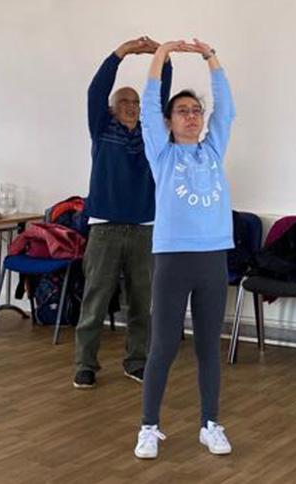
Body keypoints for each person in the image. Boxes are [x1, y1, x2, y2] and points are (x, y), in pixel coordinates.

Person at [133, 38, 236, 459]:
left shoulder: (213, 150)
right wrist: (162, 57)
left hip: (213, 257)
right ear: (169, 121)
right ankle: (148, 427)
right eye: (183, 111)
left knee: (208, 345)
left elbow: (226, 109)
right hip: (173, 257)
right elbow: (146, 105)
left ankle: (210, 424)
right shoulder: (162, 153)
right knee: (164, 345)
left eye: (196, 111)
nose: (191, 117)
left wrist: (212, 59)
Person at [74, 36, 172, 389]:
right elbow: (95, 91)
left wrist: (162, 56)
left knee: (141, 303)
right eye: (124, 101)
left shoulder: (152, 134)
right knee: (95, 301)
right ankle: (85, 364)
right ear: (113, 108)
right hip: (105, 229)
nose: (131, 105)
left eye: (135, 101)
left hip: (145, 229)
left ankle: (136, 361)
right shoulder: (102, 130)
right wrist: (122, 53)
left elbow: (161, 92)